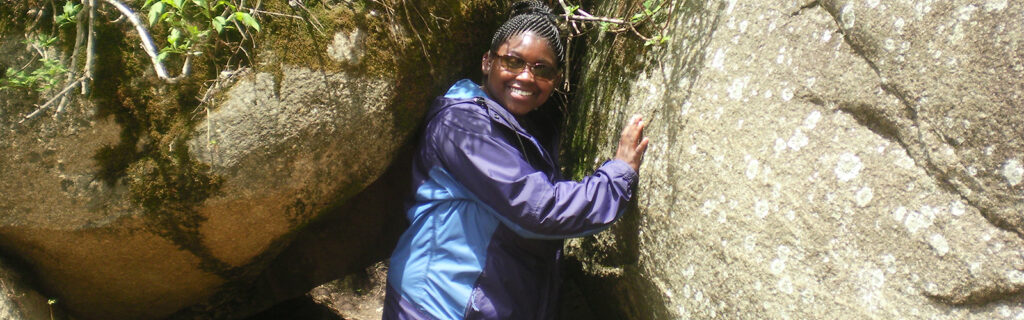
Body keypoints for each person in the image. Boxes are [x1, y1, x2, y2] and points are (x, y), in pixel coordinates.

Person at [383, 1, 649, 319]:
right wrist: (617, 175)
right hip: (437, 304)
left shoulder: (524, 128)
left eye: (542, 69)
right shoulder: (463, 124)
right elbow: (537, 208)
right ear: (487, 61)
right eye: (513, 61)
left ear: (557, 79)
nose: (526, 77)